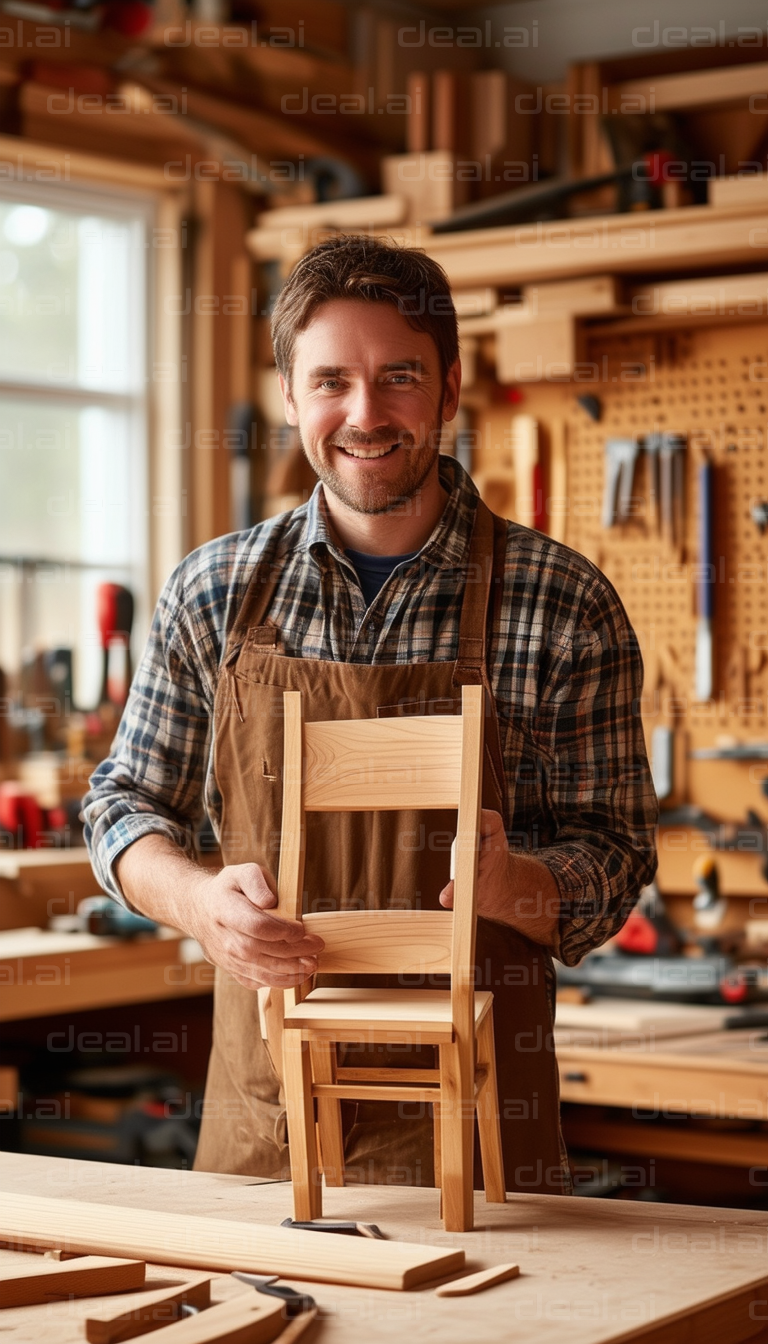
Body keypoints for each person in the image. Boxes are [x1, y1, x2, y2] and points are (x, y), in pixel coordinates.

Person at [83, 234, 658, 1195]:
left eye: (398, 376)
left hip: (485, 1142)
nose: (364, 413)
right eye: (330, 381)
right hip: (266, 1133)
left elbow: (617, 855)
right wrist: (199, 905)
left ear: (449, 386)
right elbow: (123, 803)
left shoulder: (562, 601)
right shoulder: (212, 592)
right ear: (289, 394)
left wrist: (512, 881)